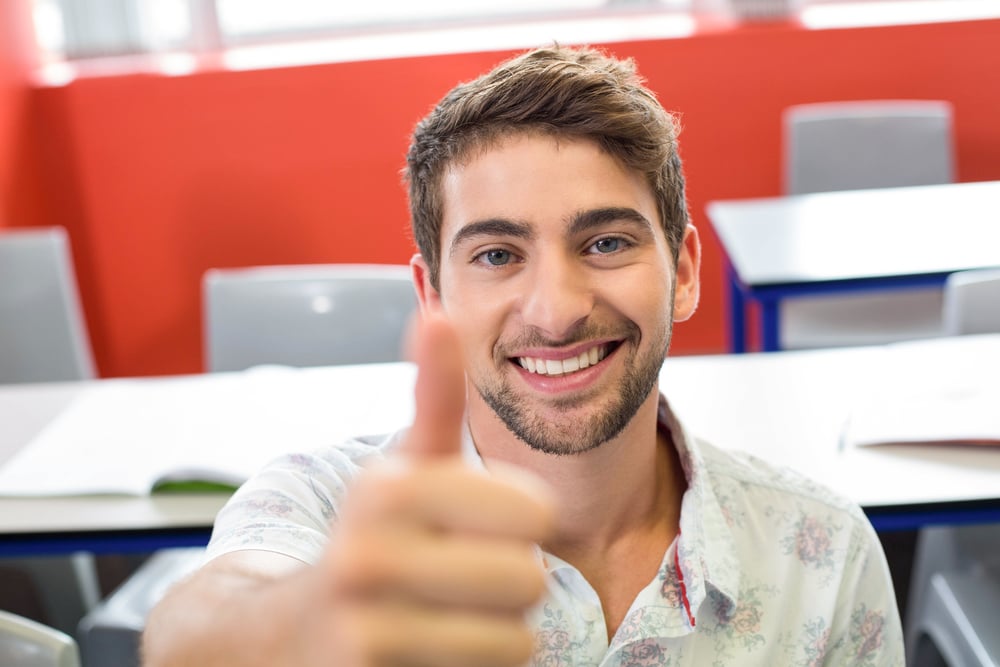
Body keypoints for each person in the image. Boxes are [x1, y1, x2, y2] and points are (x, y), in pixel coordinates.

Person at [143, 45, 904, 666]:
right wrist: (290, 624)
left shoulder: (827, 554)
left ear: (683, 271)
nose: (557, 308)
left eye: (606, 242)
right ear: (432, 293)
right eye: (499, 254)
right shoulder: (326, 510)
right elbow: (212, 615)